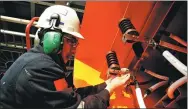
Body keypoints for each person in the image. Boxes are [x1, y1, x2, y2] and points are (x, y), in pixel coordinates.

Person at [0, 5, 130, 109]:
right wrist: (111, 89)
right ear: (53, 38)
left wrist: (107, 84)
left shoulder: (40, 62)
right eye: (72, 41)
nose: (75, 48)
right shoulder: (41, 69)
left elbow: (69, 95)